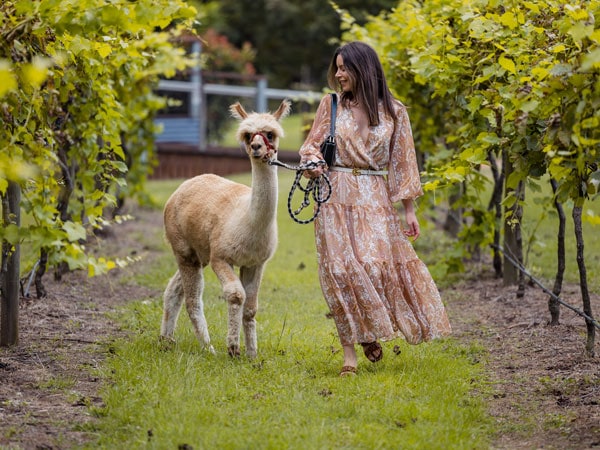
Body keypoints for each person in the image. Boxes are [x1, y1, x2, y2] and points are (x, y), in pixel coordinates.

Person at [299, 41, 451, 377]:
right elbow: (312, 144)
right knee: (339, 271)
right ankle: (349, 354)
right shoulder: (331, 105)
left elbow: (403, 162)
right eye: (336, 67)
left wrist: (409, 210)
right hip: (335, 194)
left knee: (371, 265)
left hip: (374, 197)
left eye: (344, 68)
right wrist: (312, 163)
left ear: (364, 69)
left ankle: (367, 330)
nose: (338, 74)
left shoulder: (395, 111)